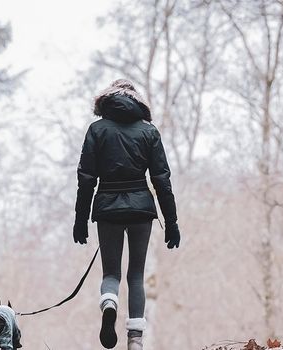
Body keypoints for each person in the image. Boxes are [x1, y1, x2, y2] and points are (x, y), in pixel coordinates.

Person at [73, 79, 180, 350]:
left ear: (106, 102)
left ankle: (109, 300)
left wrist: (80, 219)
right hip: (141, 208)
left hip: (107, 207)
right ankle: (135, 339)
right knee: (136, 275)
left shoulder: (96, 130)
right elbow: (161, 179)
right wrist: (172, 222)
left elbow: (86, 178)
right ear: (137, 102)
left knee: (111, 272)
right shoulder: (149, 132)